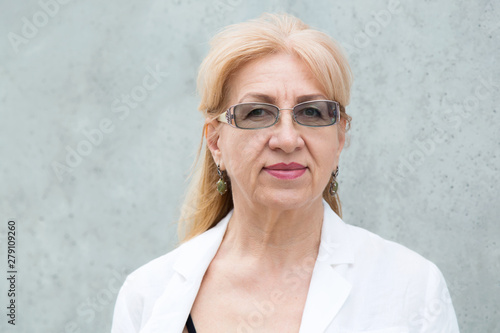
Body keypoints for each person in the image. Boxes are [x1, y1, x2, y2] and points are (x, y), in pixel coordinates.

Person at [111, 13, 460, 333]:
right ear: (216, 143)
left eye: (312, 112)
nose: (288, 140)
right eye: (257, 113)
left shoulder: (412, 288)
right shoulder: (147, 295)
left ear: (339, 139)